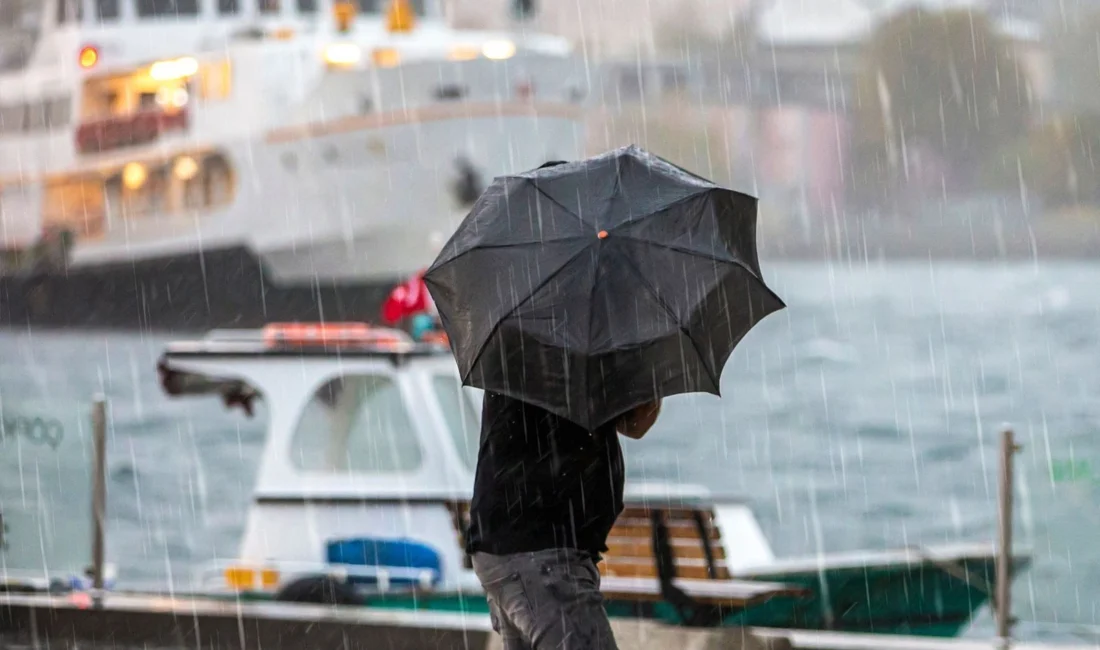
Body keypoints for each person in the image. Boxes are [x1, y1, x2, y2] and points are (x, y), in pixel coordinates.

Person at [466, 395, 662, 650]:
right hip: (539, 551)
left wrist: (646, 375)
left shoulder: (553, 365)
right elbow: (635, 422)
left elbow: (635, 423)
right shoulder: (563, 363)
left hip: (519, 545)